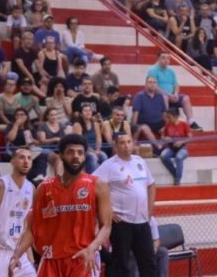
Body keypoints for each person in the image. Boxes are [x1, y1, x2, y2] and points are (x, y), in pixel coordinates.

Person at [10, 134, 112, 275]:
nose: (76, 156)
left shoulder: (97, 185)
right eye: (70, 152)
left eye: (80, 153)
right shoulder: (44, 188)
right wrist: (17, 255)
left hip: (82, 258)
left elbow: (106, 226)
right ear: (62, 155)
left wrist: (92, 248)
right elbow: (31, 229)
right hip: (51, 260)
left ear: (84, 157)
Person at [94, 133, 158, 277]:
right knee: (120, 264)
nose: (126, 146)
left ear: (133, 143)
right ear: (116, 146)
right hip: (122, 222)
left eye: (129, 142)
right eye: (122, 143)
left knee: (149, 263)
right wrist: (107, 211)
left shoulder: (140, 161)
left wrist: (149, 210)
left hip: (142, 222)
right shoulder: (109, 165)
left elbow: (151, 184)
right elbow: (92, 186)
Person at [0, 148, 36, 277]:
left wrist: (29, 256)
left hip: (17, 252)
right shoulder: (1, 184)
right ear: (12, 161)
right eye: (21, 157)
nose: (26, 161)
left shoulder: (31, 188)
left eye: (29, 158)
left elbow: (27, 227)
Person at [146, 51, 202, 130]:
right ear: (158, 59)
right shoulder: (152, 70)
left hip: (171, 95)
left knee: (185, 98)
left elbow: (176, 85)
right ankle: (167, 122)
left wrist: (175, 93)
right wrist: (168, 95)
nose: (166, 60)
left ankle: (191, 122)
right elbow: (154, 87)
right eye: (163, 58)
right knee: (164, 97)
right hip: (158, 96)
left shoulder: (171, 71)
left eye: (168, 58)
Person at [160, 108, 191, 186]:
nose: (168, 119)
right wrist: (165, 138)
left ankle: (178, 179)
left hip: (182, 148)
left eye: (169, 117)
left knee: (179, 157)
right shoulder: (167, 125)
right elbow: (162, 136)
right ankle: (175, 173)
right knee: (163, 156)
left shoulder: (184, 124)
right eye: (167, 117)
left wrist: (181, 142)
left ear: (176, 116)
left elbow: (190, 138)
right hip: (171, 148)